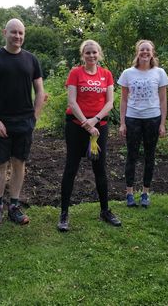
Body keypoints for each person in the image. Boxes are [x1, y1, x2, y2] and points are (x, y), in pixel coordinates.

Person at [0, 18, 45, 226]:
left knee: (19, 164)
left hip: (24, 121)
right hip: (1, 122)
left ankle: (14, 206)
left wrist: (35, 116)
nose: (18, 36)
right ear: (4, 32)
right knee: (0, 165)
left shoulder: (31, 59)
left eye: (21, 33)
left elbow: (40, 90)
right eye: (14, 32)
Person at [57, 40, 121, 232]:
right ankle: (64, 214)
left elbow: (110, 102)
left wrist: (95, 120)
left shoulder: (106, 75)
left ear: (99, 54)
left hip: (99, 128)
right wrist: (86, 123)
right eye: (87, 53)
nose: (91, 56)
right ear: (82, 55)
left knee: (100, 168)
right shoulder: (76, 73)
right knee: (71, 168)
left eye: (94, 52)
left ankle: (105, 210)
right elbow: (72, 101)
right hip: (76, 127)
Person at [118, 40, 168, 208]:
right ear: (137, 52)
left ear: (152, 52)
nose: (145, 52)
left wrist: (162, 123)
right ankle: (129, 193)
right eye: (142, 50)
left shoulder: (159, 72)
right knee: (131, 156)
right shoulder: (128, 73)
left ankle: (145, 192)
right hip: (132, 119)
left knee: (150, 156)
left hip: (153, 118)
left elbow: (163, 100)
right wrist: (122, 123)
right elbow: (123, 100)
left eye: (148, 50)